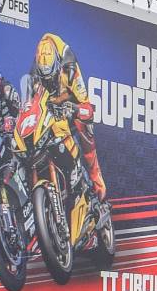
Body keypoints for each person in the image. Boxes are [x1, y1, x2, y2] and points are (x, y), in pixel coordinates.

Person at [29, 32, 107, 202]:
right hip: (49, 112)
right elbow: (30, 106)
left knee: (85, 125)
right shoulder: (34, 75)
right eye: (45, 78)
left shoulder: (70, 69)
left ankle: (96, 177)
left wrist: (74, 108)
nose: (48, 80)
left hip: (70, 104)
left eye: (52, 77)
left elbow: (87, 108)